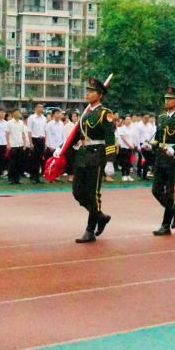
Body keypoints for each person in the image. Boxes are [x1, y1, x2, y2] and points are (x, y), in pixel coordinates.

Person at [62, 77, 117, 243]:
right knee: (78, 192)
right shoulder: (86, 114)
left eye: (92, 91)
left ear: (100, 95)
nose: (88, 94)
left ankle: (90, 230)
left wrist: (110, 161)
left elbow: (110, 138)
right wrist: (62, 147)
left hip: (97, 155)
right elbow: (77, 135)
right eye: (87, 91)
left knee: (93, 194)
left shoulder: (105, 113)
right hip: (82, 155)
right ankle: (100, 216)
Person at [149, 86, 175, 236]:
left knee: (170, 192)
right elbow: (158, 138)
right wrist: (152, 145)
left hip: (173, 159)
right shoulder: (161, 117)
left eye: (170, 99)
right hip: (160, 158)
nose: (166, 101)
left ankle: (165, 225)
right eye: (165, 98)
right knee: (156, 190)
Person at [5, 109, 30, 184]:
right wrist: (8, 144)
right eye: (17, 112)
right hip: (13, 145)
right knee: (12, 163)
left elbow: (23, 134)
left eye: (19, 113)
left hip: (20, 144)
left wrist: (24, 144)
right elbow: (7, 134)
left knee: (19, 163)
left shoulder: (21, 123)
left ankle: (17, 179)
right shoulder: (9, 123)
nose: (19, 114)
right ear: (13, 114)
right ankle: (11, 179)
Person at [27, 103, 47, 184]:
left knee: (39, 160)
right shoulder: (31, 118)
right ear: (35, 108)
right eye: (39, 107)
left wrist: (45, 142)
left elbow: (45, 131)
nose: (41, 108)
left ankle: (37, 178)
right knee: (33, 160)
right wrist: (31, 143)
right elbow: (29, 131)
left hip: (41, 140)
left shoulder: (44, 118)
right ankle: (32, 177)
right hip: (34, 140)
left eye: (42, 107)